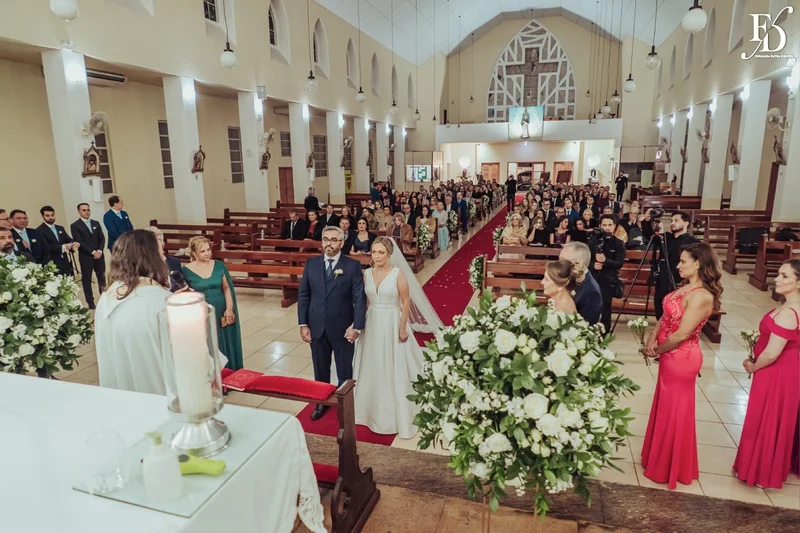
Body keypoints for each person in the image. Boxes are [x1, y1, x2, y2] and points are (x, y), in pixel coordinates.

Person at [642, 243, 722, 489]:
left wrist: (657, 349)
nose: (678, 266)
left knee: (675, 411)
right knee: (664, 406)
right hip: (669, 353)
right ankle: (657, 456)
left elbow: (682, 334)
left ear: (698, 263)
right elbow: (666, 317)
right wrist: (652, 336)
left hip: (682, 357)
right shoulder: (686, 288)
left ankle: (670, 465)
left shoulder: (702, 296)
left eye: (683, 261)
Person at [353, 236, 444, 437]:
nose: (377, 256)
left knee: (391, 362)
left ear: (389, 254)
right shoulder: (366, 274)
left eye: (381, 252)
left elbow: (406, 302)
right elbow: (365, 303)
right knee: (373, 362)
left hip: (392, 321)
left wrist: (402, 328)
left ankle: (392, 412)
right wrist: (358, 325)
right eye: (374, 252)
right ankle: (368, 409)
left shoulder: (398, 274)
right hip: (372, 321)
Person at [734, 259, 800, 489]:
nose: (777, 279)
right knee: (763, 418)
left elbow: (772, 352)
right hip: (781, 369)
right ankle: (757, 466)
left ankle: (762, 472)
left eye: (784, 276)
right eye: (778, 274)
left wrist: (754, 366)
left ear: (799, 282)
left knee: (767, 418)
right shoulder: (787, 306)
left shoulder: (791, 312)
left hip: (777, 372)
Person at [298, 226, 367, 421]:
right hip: (316, 326)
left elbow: (359, 299)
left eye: (334, 240)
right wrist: (303, 324)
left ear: (342, 243)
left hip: (342, 328)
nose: (329, 243)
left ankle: (345, 407)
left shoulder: (352, 266)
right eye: (325, 239)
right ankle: (321, 403)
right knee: (320, 368)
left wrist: (357, 327)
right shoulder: (311, 264)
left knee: (344, 370)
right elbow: (304, 295)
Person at [94, 230, 173, 394]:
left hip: (121, 397)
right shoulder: (161, 302)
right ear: (151, 258)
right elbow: (191, 360)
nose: (164, 258)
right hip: (161, 400)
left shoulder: (106, 297)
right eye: (160, 252)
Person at [182, 236, 243, 370]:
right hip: (202, 312)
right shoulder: (186, 270)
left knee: (225, 339)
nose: (207, 253)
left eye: (208, 250)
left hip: (222, 309)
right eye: (203, 251)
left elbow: (227, 288)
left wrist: (229, 308)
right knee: (209, 341)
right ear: (194, 253)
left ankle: (230, 372)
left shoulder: (219, 265)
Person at [652, 211, 698, 320]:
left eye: (676, 221)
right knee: (659, 307)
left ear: (686, 223)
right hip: (662, 279)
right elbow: (649, 234)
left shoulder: (693, 242)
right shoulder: (666, 237)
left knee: (675, 311)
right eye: (671, 221)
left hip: (679, 281)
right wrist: (649, 220)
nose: (673, 223)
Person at [591, 215, 626, 332]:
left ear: (614, 226)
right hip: (593, 278)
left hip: (609, 280)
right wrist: (593, 265)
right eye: (604, 225)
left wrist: (606, 261)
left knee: (606, 308)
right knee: (591, 306)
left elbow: (619, 263)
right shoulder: (592, 241)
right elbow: (585, 260)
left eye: (610, 225)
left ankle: (604, 334)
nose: (607, 228)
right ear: (600, 226)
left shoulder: (619, 243)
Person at [71, 203, 106, 309]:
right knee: (87, 279)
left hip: (99, 256)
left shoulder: (96, 223)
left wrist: (99, 251)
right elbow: (79, 241)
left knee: (101, 276)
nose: (87, 212)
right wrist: (92, 252)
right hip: (86, 256)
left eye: (88, 210)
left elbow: (102, 238)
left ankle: (104, 297)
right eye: (84, 210)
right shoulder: (75, 225)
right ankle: (90, 301)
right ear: (79, 212)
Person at [559, 242, 603, 325]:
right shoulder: (570, 278)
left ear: (579, 262)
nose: (560, 264)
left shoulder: (591, 291)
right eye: (559, 259)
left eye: (563, 260)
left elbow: (586, 326)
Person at [37, 205, 78, 275]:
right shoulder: (39, 231)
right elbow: (45, 247)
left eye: (52, 215)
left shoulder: (60, 228)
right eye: (47, 215)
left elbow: (68, 239)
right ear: (42, 216)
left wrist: (74, 242)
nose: (50, 217)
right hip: (52, 263)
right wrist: (64, 247)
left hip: (65, 261)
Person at [144, 226, 184, 292]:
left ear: (163, 243)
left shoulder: (174, 262)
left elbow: (182, 284)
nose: (156, 243)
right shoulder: (143, 265)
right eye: (153, 241)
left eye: (159, 240)